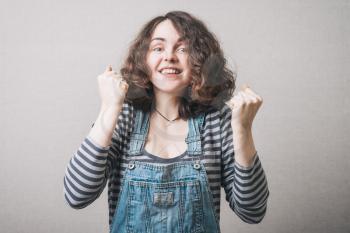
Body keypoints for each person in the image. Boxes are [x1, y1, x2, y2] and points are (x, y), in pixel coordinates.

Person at [63, 11, 270, 233]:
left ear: (201, 60)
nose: (170, 56)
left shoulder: (216, 122)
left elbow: (252, 211)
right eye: (158, 48)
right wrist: (109, 108)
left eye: (183, 49)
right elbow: (76, 195)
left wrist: (243, 130)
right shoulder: (124, 117)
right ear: (144, 59)